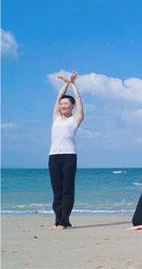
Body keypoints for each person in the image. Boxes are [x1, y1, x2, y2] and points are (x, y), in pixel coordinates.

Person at [48, 71, 84, 230]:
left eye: (65, 104)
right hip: (53, 157)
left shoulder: (76, 118)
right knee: (57, 191)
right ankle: (58, 220)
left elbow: (78, 99)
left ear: (72, 106)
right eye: (61, 104)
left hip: (69, 157)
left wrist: (73, 85)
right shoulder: (56, 117)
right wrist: (66, 83)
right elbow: (58, 97)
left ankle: (64, 221)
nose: (62, 106)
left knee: (67, 189)